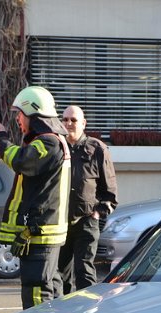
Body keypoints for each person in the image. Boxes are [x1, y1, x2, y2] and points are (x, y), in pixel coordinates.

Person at [0, 86, 70, 309]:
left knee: (37, 294)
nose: (17, 119)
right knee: (49, 290)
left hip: (40, 233)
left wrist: (2, 140)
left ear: (33, 114)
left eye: (20, 114)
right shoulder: (52, 141)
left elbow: (22, 161)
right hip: (41, 232)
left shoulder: (49, 143)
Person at [56, 105, 118, 294]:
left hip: (86, 221)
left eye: (73, 120)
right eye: (65, 119)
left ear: (83, 123)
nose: (68, 124)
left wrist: (98, 213)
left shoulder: (97, 148)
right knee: (59, 274)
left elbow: (110, 191)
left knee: (84, 272)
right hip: (60, 222)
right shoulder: (57, 147)